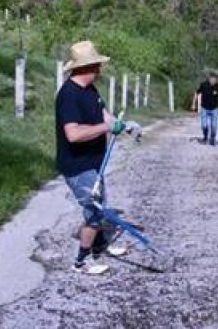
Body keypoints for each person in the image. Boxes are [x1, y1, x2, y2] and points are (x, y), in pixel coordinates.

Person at [56, 40, 127, 275]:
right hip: (78, 165)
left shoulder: (89, 90)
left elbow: (102, 113)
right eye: (97, 64)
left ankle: (100, 245)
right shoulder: (69, 95)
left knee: (100, 204)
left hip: (94, 160)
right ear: (88, 67)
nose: (100, 69)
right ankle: (81, 262)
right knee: (94, 213)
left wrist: (118, 123)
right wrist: (105, 128)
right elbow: (73, 134)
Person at [191, 71, 218, 146]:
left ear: (216, 79)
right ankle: (205, 137)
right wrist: (194, 104)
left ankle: (213, 139)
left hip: (214, 109)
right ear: (209, 79)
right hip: (204, 108)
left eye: (214, 79)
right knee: (204, 125)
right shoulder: (203, 85)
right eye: (211, 79)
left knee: (214, 126)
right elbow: (196, 93)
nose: (213, 80)